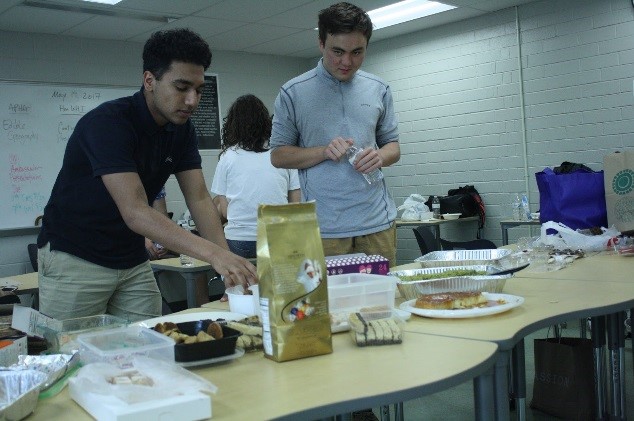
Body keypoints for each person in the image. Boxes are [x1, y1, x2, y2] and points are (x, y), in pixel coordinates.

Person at [36, 28, 257, 322]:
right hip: (76, 257)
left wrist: (228, 261)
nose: (192, 100)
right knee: (69, 352)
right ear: (149, 80)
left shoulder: (182, 130)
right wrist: (215, 256)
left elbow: (200, 198)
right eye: (181, 87)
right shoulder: (108, 124)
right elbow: (136, 211)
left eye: (199, 89)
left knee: (150, 346)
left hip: (130, 258)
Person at [269, 2, 400, 267]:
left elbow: (393, 147)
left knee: (381, 303)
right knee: (329, 307)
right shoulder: (292, 92)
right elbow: (278, 156)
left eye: (357, 52)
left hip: (377, 223)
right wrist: (323, 151)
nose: (346, 62)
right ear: (321, 44)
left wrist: (380, 157)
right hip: (323, 227)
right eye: (337, 51)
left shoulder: (379, 89)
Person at [211, 95, 300, 259]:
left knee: (244, 284)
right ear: (266, 121)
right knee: (277, 283)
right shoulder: (282, 154)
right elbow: (296, 203)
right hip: (277, 236)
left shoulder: (228, 157)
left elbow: (224, 210)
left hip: (240, 240)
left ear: (232, 125)